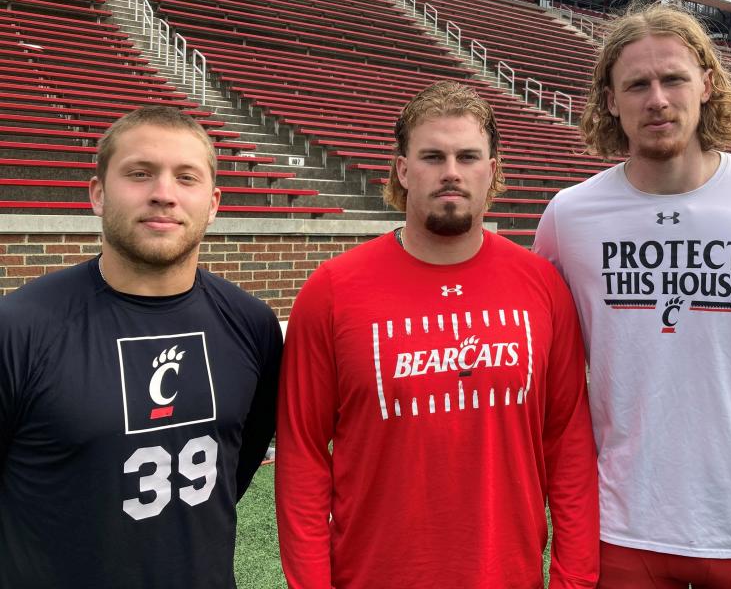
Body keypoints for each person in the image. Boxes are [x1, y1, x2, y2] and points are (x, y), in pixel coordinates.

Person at [534, 2, 731, 589]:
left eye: (673, 78)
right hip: (623, 520)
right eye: (636, 84)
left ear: (707, 83)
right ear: (610, 101)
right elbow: (548, 362)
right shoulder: (569, 216)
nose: (658, 99)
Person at [276, 80, 599, 589]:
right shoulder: (332, 292)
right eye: (432, 156)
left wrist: (573, 580)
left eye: (468, 156)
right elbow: (303, 457)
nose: (451, 172)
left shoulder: (543, 288)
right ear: (403, 169)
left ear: (491, 171)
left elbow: (570, 447)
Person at [0, 106, 283, 588]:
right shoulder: (19, 328)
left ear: (213, 203)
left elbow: (239, 461)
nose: (163, 194)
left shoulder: (252, 325)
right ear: (98, 193)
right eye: (139, 173)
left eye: (186, 178)